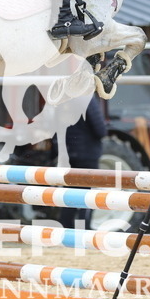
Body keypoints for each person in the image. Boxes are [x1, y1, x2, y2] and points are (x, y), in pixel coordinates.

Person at [58, 97, 107, 230]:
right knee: (88, 195)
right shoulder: (88, 99)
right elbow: (100, 129)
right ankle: (84, 229)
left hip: (70, 153)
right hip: (87, 153)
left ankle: (65, 227)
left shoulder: (65, 99)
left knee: (69, 193)